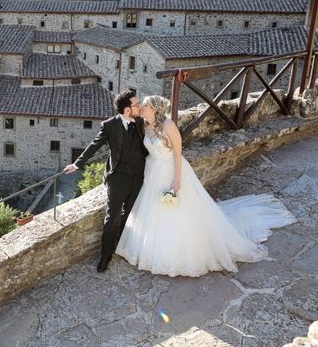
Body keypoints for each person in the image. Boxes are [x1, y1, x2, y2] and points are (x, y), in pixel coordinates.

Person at [115, 95, 296, 277]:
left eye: (144, 105)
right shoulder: (144, 125)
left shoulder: (169, 126)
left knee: (179, 211)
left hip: (170, 171)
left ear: (154, 108)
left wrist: (176, 180)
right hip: (152, 171)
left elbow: (178, 154)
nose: (141, 107)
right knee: (152, 208)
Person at [63, 89, 147, 273]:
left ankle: (123, 247)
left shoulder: (141, 120)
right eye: (136, 104)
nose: (139, 106)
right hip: (118, 177)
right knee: (112, 217)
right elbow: (95, 144)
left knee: (131, 214)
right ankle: (106, 256)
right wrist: (77, 164)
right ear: (127, 110)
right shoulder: (110, 125)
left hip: (139, 175)